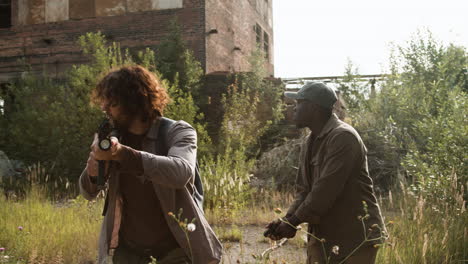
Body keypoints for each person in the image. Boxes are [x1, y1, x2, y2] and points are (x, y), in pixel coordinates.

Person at [79, 65, 222, 264]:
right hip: (127, 253)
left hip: (176, 251)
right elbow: (88, 192)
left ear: (133, 101)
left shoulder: (178, 132)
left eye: (111, 102)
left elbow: (180, 172)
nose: (104, 108)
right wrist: (96, 165)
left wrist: (122, 154)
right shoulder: (114, 137)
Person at [264, 82, 386, 264]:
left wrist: (293, 223)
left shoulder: (343, 137)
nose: (294, 108)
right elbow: (305, 191)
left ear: (314, 108)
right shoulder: (311, 140)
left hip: (354, 238)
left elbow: (325, 190)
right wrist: (287, 220)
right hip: (324, 236)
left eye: (299, 103)